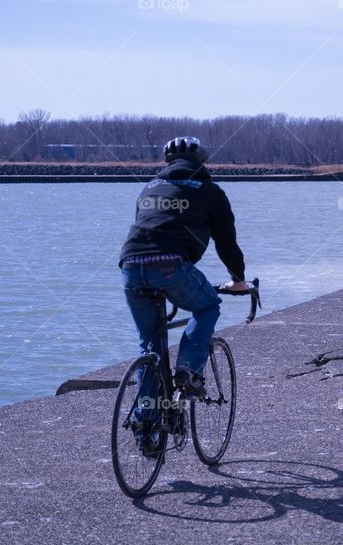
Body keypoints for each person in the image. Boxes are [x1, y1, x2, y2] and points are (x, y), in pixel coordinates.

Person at [120, 137, 247, 453]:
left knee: (150, 345)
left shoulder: (148, 188)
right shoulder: (210, 191)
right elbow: (226, 244)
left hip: (131, 265)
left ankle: (144, 427)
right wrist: (239, 280)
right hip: (171, 266)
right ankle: (188, 370)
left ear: (166, 162)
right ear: (202, 162)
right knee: (207, 307)